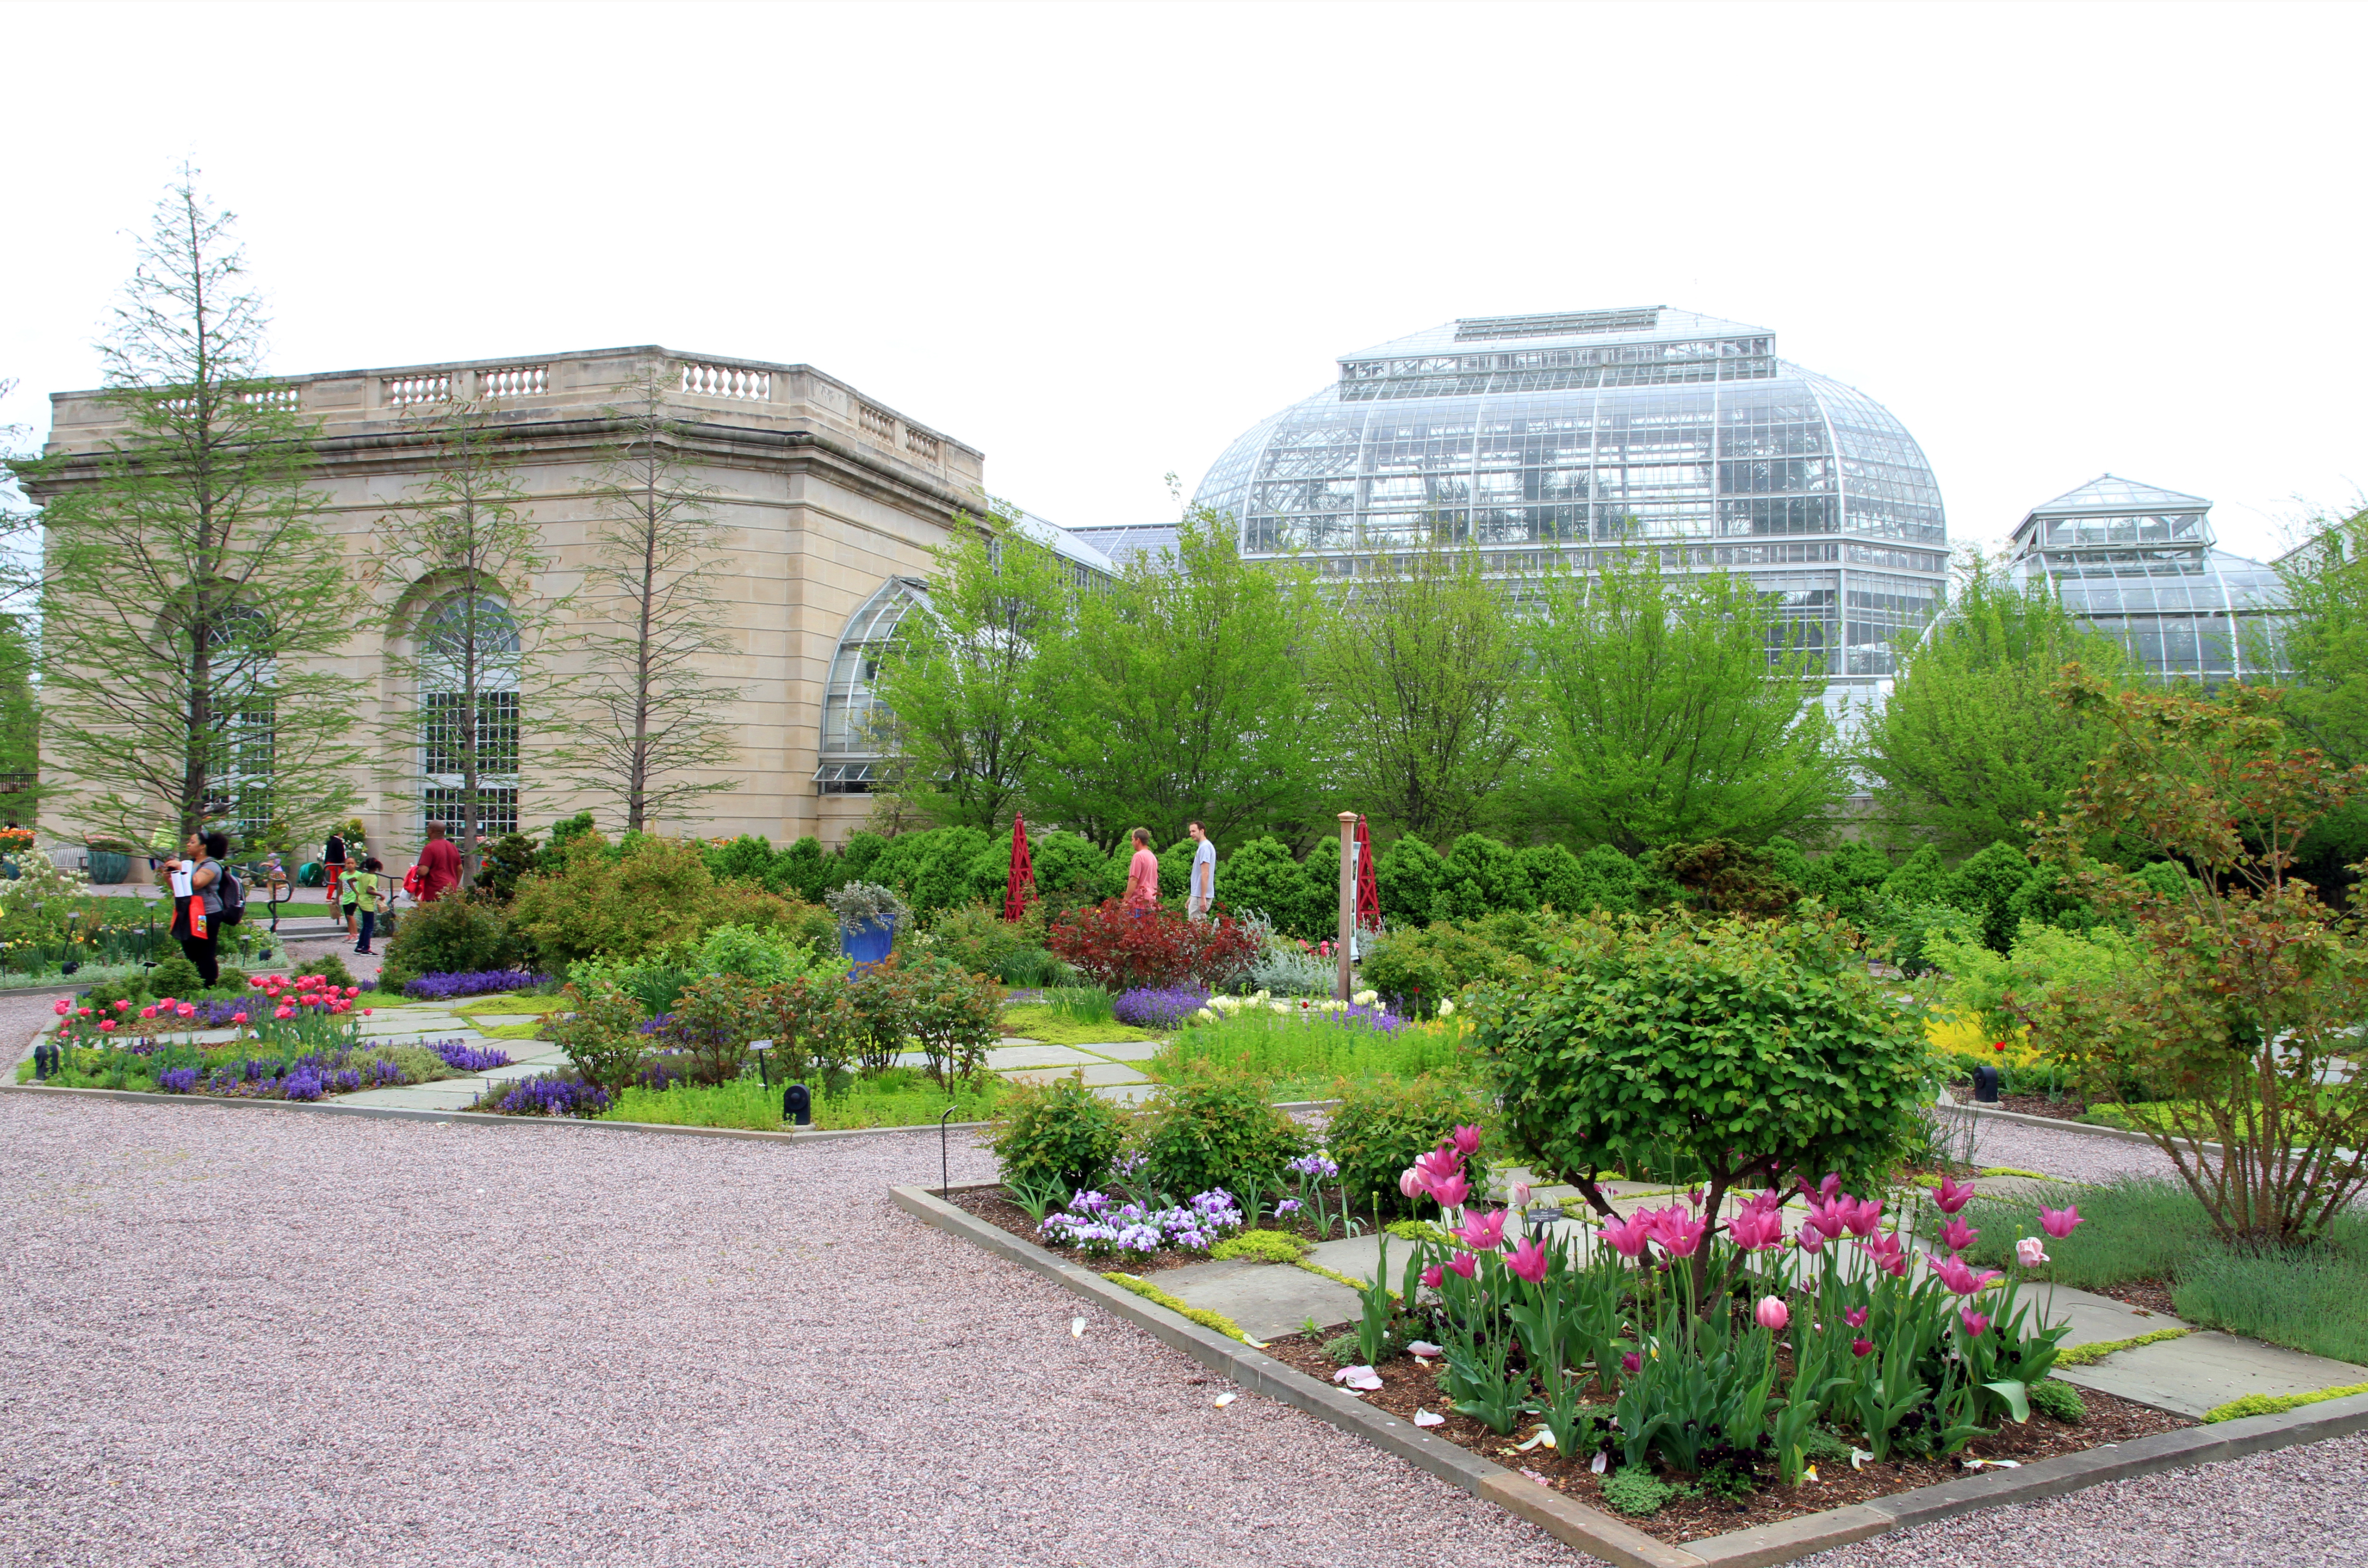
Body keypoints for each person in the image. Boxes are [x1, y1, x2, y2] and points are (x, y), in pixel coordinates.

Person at [160, 830, 228, 988]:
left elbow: (197, 883)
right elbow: (180, 888)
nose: (188, 845)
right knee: (190, 950)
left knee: (204, 951)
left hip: (206, 915)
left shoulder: (212, 865)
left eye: (192, 842)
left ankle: (209, 985)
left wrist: (182, 867)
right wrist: (168, 878)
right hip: (188, 913)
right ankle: (195, 983)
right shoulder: (192, 864)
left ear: (203, 847)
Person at [415, 821, 463, 902]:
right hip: (451, 889)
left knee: (432, 914)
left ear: (431, 831)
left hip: (435, 891)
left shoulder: (430, 848)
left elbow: (423, 871)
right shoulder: (453, 847)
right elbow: (460, 869)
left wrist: (414, 871)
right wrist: (455, 884)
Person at [349, 856, 384, 955]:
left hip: (361, 901)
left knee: (365, 926)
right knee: (369, 927)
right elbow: (370, 890)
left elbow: (350, 881)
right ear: (376, 868)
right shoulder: (373, 878)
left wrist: (357, 892)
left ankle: (359, 947)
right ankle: (366, 949)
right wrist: (380, 895)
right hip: (368, 904)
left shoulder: (363, 875)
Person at [1122, 827, 1159, 913]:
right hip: (1151, 902)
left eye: (1133, 840)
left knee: (1135, 925)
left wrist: (1126, 900)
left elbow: (1134, 879)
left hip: (1139, 902)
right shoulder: (1153, 857)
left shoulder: (1138, 856)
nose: (1132, 843)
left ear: (1138, 840)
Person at [1186, 821, 1215, 920]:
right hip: (1198, 895)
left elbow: (1205, 873)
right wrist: (1193, 895)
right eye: (1190, 832)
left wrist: (1202, 897)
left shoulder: (1205, 848)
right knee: (1201, 928)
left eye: (1194, 831)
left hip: (1201, 896)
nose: (1191, 834)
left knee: (1194, 929)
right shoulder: (1203, 847)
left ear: (1202, 831)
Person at [323, 828, 348, 930]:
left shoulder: (330, 841)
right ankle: (335, 896)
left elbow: (327, 852)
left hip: (330, 862)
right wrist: (343, 864)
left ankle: (330, 896)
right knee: (339, 880)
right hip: (336, 863)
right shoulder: (338, 842)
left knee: (334, 879)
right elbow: (340, 854)